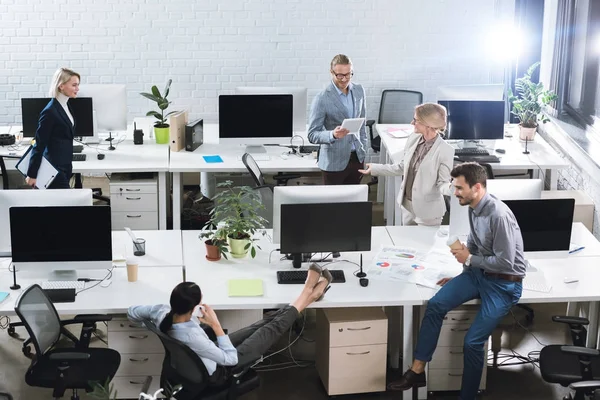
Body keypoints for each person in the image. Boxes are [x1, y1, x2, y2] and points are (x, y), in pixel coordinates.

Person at [388, 162, 525, 400]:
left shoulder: (499, 215)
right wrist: (464, 269)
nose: (455, 193)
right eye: (454, 187)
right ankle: (417, 370)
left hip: (503, 284)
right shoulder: (472, 207)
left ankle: (467, 397)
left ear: (478, 187)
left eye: (459, 188)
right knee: (436, 305)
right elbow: (473, 243)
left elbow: (505, 262)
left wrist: (470, 259)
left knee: (472, 342)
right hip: (476, 275)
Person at [128, 265, 333, 387]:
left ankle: (308, 295)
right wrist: (216, 326)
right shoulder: (192, 336)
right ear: (192, 307)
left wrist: (148, 324)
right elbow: (230, 358)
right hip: (221, 369)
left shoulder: (161, 311)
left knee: (261, 324)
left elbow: (132, 311)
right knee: (271, 330)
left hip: (208, 352)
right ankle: (308, 292)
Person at [359, 103, 454, 226]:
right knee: (406, 243)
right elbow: (402, 167)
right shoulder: (414, 138)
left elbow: (442, 183)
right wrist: (375, 168)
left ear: (428, 124)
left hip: (428, 211)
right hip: (407, 205)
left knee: (424, 244)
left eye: (416, 120)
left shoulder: (445, 150)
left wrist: (452, 188)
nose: (412, 123)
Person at [308, 54, 368, 185]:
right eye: (340, 75)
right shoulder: (322, 98)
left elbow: (362, 125)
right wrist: (332, 135)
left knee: (354, 201)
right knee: (333, 204)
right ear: (331, 72)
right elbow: (312, 134)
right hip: (334, 161)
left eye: (348, 74)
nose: (344, 79)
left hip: (357, 158)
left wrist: (364, 149)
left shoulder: (359, 91)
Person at [26, 67, 80, 189]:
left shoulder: (65, 106)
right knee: (65, 204)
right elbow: (39, 144)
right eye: (74, 85)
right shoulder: (50, 112)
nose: (78, 89)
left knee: (61, 205)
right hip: (54, 168)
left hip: (65, 165)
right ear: (61, 86)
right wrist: (32, 174)